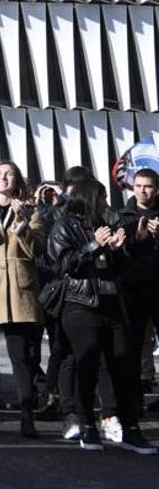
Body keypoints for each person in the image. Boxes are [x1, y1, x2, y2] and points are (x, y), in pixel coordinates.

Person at [48, 178, 155, 453]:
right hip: (80, 302)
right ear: (87, 198)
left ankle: (130, 429)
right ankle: (87, 426)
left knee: (123, 365)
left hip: (111, 301)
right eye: (101, 197)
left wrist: (126, 246)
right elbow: (65, 265)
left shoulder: (104, 225)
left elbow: (118, 267)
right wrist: (94, 245)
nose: (105, 203)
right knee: (88, 363)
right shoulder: (65, 226)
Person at [0, 161, 45, 437]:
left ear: (17, 180)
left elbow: (37, 249)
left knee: (22, 358)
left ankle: (27, 415)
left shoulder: (32, 211)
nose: (4, 177)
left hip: (19, 292)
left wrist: (22, 225)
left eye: (10, 174)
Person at [119, 168, 159, 422]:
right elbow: (120, 254)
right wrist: (138, 238)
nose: (143, 191)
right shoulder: (123, 215)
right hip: (134, 290)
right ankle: (134, 401)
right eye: (139, 186)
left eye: (148, 186)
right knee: (133, 347)